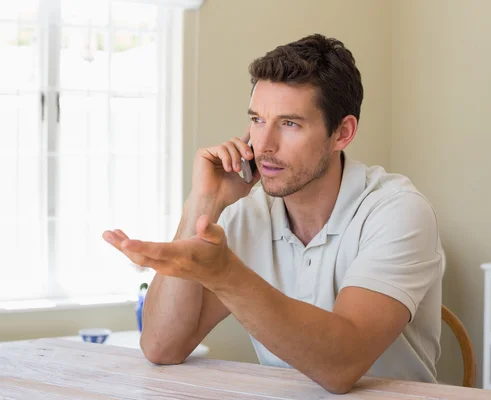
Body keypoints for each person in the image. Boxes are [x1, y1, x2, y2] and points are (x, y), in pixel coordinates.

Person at [103, 33, 444, 394]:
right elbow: (161, 347)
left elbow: (342, 365)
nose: (263, 145)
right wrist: (203, 204)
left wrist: (225, 275)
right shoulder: (246, 215)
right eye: (257, 120)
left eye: (289, 124)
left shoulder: (397, 211)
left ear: (342, 133)